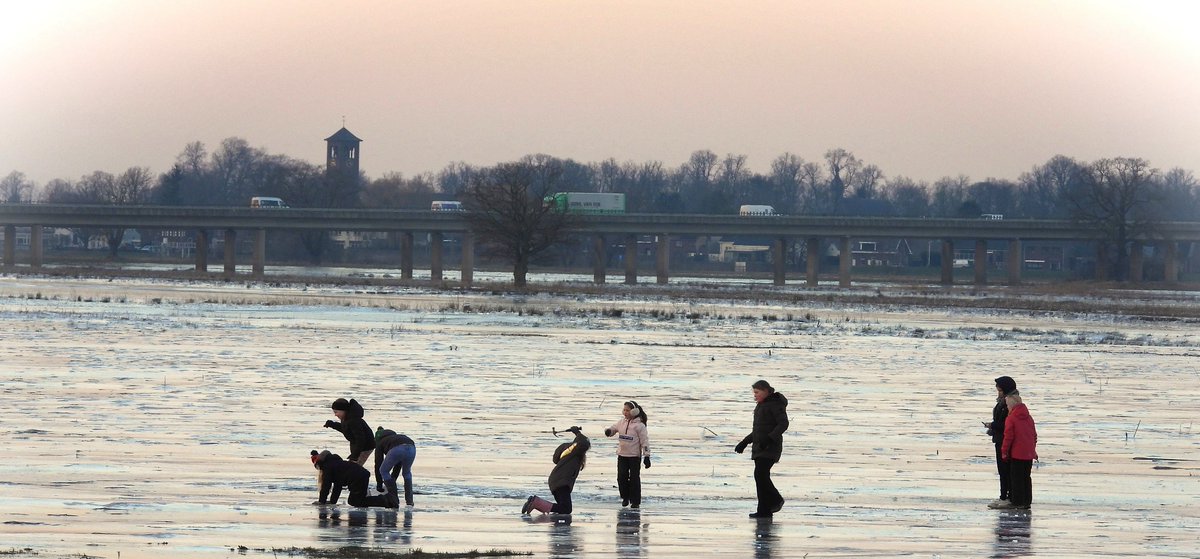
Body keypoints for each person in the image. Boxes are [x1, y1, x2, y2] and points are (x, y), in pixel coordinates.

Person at [734, 379, 789, 518]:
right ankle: (764, 510)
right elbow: (758, 430)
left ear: (765, 391)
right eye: (754, 392)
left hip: (770, 447)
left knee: (760, 475)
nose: (755, 395)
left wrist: (770, 438)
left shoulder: (775, 404)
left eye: (757, 392)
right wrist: (745, 442)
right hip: (759, 447)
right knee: (760, 477)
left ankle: (776, 500)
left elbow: (783, 424)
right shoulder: (761, 405)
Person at [522, 426, 590, 515]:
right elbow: (584, 443)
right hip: (562, 482)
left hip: (556, 480)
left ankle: (536, 503)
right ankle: (536, 502)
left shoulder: (565, 448)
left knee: (563, 507)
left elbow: (555, 459)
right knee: (566, 509)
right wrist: (577, 433)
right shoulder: (575, 450)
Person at [605, 400, 651, 509]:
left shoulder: (640, 426)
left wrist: (647, 456)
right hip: (622, 455)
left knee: (634, 479)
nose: (625, 412)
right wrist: (608, 431)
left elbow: (645, 442)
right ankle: (625, 497)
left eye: (627, 410)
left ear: (634, 411)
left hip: (634, 457)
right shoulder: (621, 422)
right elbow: (613, 429)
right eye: (624, 410)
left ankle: (635, 501)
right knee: (621, 477)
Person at [310, 449, 390, 508]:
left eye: (317, 467)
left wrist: (321, 501)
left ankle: (384, 500)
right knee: (359, 500)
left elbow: (326, 486)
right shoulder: (336, 464)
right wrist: (332, 502)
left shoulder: (328, 467)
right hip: (362, 475)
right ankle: (385, 500)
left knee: (355, 501)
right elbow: (338, 486)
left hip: (357, 478)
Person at [999, 392, 1038, 510]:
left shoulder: (1011, 418)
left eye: (1007, 405)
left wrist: (1004, 451)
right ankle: (1026, 501)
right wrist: (1032, 449)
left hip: (1016, 453)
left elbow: (1008, 437)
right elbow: (1034, 435)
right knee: (1026, 477)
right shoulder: (1029, 418)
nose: (1007, 408)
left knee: (1016, 478)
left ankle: (1017, 502)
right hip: (1028, 453)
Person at [986, 376, 1018, 509]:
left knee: (1005, 470)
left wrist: (992, 425)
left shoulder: (1009, 404)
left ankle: (1007, 497)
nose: (998, 393)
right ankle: (1004, 495)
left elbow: (1007, 424)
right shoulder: (1003, 402)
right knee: (1002, 470)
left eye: (999, 390)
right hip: (1000, 440)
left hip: (1005, 441)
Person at [324, 398, 374, 467]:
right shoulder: (346, 419)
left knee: (354, 467)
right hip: (356, 445)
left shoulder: (353, 421)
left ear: (343, 410)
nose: (335, 415)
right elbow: (345, 430)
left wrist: (355, 455)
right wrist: (332, 424)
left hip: (365, 446)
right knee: (351, 466)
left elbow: (360, 439)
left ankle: (357, 476)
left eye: (336, 412)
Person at [374, 426, 416, 508]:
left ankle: (394, 500)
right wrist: (392, 479)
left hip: (397, 449)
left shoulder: (381, 442)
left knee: (383, 471)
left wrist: (379, 485)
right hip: (411, 447)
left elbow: (378, 464)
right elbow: (398, 465)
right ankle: (410, 501)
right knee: (406, 473)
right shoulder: (396, 438)